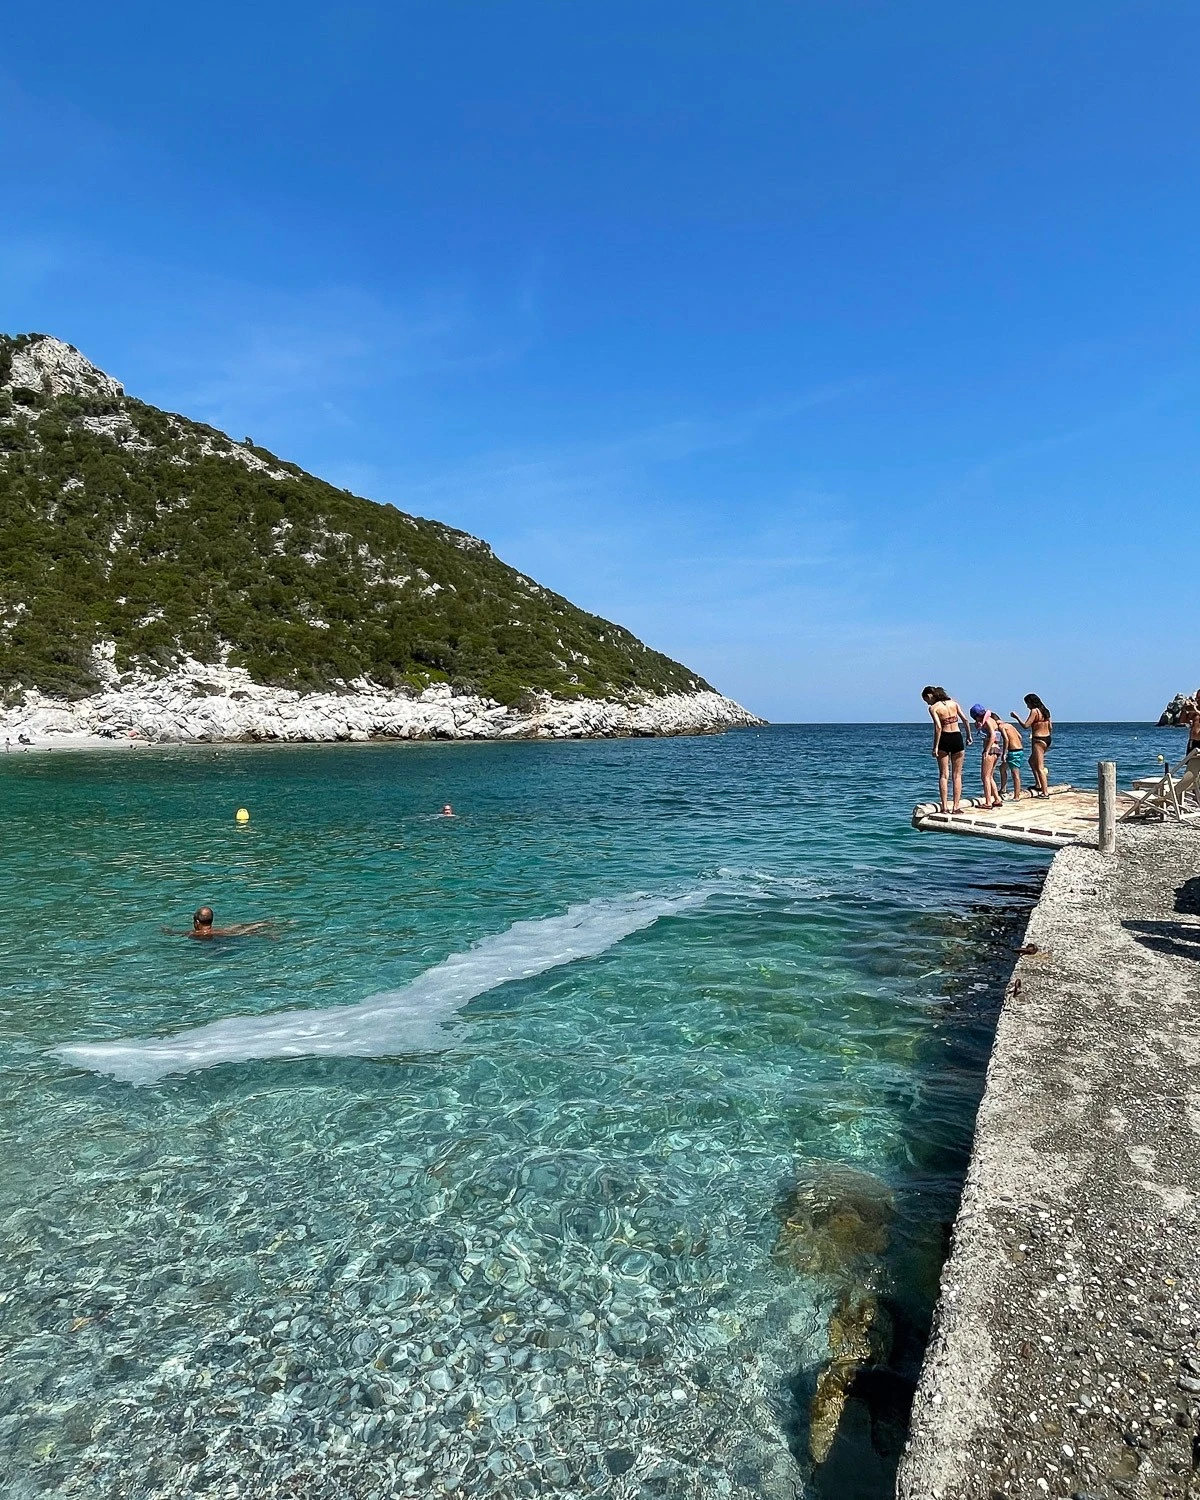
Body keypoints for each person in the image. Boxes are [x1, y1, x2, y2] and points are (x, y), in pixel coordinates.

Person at [922, 686, 973, 814]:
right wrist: (969, 736)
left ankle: (944, 807)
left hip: (945, 738)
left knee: (944, 775)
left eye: (926, 700)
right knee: (957, 775)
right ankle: (956, 807)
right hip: (957, 737)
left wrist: (935, 747)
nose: (927, 703)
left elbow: (938, 727)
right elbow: (965, 720)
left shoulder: (933, 708)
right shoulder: (954, 703)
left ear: (930, 695)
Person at [1011, 694, 1052, 797]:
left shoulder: (1035, 711)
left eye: (1027, 703)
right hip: (1047, 738)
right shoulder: (1045, 711)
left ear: (1031, 702)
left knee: (1039, 767)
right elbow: (1050, 726)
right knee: (1031, 761)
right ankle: (1038, 784)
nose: (1027, 706)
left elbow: (1026, 725)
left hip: (1038, 740)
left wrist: (1017, 717)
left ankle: (1045, 792)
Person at [970, 705, 1005, 809]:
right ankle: (997, 799)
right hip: (997, 749)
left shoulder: (988, 721)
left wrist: (986, 750)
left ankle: (988, 802)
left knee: (985, 776)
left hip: (991, 749)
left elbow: (993, 736)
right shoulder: (992, 720)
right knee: (989, 776)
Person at [187, 906, 274, 940]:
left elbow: (179, 933)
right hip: (225, 932)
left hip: (227, 937)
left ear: (197, 922)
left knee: (240, 930)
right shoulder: (218, 930)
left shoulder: (196, 934)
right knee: (238, 927)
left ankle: (263, 927)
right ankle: (261, 924)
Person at [998, 717, 1025, 802]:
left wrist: (1004, 753)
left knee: (1015, 774)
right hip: (1019, 750)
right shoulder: (1010, 725)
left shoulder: (1001, 727)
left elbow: (1006, 739)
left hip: (1013, 752)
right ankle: (1003, 789)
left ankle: (1017, 796)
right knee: (1002, 768)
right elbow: (1020, 736)